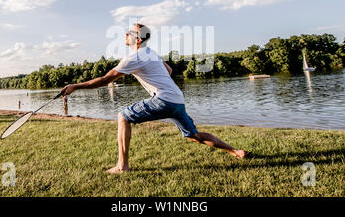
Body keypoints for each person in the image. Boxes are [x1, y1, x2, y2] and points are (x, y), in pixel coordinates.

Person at [61, 23, 246, 173]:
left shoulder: (133, 58)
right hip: (177, 99)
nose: (125, 34)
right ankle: (236, 152)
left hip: (164, 99)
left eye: (129, 32)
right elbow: (169, 71)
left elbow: (105, 80)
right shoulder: (152, 53)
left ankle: (121, 166)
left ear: (138, 39)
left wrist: (74, 87)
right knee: (193, 135)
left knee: (123, 117)